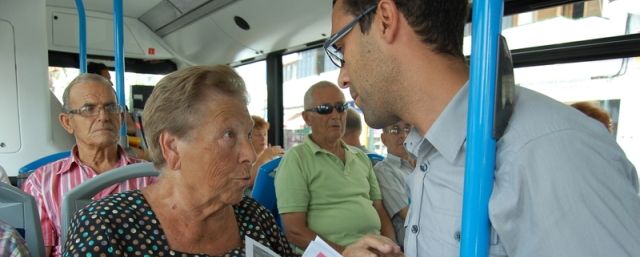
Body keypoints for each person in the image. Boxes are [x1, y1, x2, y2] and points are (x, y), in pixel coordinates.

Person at [327, 0, 640, 256]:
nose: (342, 78)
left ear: (384, 19)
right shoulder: (428, 150)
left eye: (341, 49)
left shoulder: (549, 151)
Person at [63, 65, 294, 256]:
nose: (250, 155)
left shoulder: (256, 218)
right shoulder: (104, 227)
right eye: (228, 135)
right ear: (172, 148)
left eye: (248, 134)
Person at [21, 74, 155, 257]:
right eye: (88, 109)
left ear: (121, 117)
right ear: (67, 122)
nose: (103, 116)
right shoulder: (41, 183)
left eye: (110, 107)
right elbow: (38, 252)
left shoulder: (150, 177)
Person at [274, 81, 395, 253]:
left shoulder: (361, 158)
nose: (336, 115)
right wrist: (344, 255)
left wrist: (390, 248)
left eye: (341, 107)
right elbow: (295, 231)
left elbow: (379, 210)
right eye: (325, 108)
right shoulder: (296, 160)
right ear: (307, 118)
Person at [373, 121, 414, 248]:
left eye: (407, 129)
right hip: (413, 243)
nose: (403, 135)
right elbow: (408, 215)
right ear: (383, 139)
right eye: (395, 130)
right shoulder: (384, 171)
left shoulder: (420, 167)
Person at [246, 115, 285, 196]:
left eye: (265, 134)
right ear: (248, 137)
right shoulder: (243, 158)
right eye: (258, 135)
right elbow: (248, 182)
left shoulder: (273, 156)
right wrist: (265, 156)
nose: (263, 138)